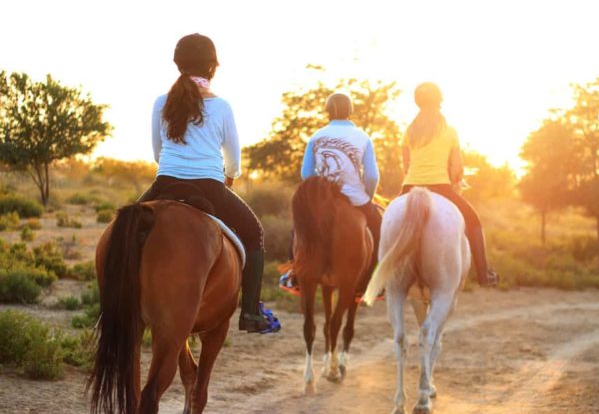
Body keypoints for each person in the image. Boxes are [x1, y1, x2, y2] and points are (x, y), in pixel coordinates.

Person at [139, 33, 280, 334]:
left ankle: (110, 308)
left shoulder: (161, 102)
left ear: (178, 65)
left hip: (164, 183)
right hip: (210, 188)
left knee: (121, 235)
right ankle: (252, 313)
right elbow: (234, 160)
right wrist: (230, 175)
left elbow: (156, 152)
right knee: (254, 234)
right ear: (212, 68)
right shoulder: (222, 107)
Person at [279, 93, 382, 298]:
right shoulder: (363, 137)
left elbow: (306, 174)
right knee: (379, 228)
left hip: (324, 202)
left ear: (327, 111)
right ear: (350, 111)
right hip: (355, 198)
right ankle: (372, 281)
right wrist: (367, 197)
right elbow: (371, 176)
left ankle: (295, 274)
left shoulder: (316, 136)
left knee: (299, 230)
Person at [401, 82, 499, 287]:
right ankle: (484, 275)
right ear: (440, 102)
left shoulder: (409, 131)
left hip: (409, 187)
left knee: (384, 226)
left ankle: (378, 278)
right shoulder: (450, 131)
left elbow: (406, 165)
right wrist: (456, 182)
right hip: (441, 188)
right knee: (474, 221)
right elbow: (457, 169)